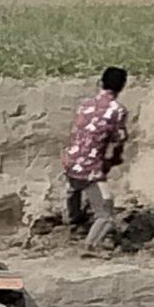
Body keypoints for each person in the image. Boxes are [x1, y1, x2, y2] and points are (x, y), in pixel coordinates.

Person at [63, 66, 131, 250]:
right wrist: (114, 159)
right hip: (90, 168)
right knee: (106, 213)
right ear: (122, 86)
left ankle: (73, 220)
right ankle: (91, 246)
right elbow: (119, 139)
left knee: (74, 188)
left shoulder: (85, 104)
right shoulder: (117, 110)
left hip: (70, 161)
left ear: (100, 82)